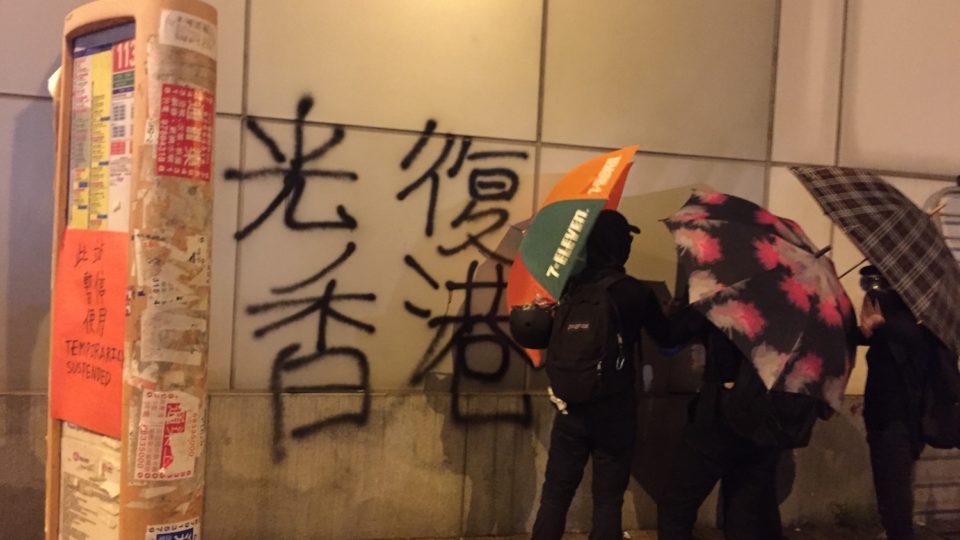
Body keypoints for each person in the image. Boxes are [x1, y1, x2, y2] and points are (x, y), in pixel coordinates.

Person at [531, 210, 699, 540]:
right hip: (615, 410)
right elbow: (667, 338)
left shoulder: (570, 289)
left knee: (555, 496)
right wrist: (688, 312)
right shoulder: (634, 292)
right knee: (608, 501)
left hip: (570, 407)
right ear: (621, 248)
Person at [656, 322, 789, 540]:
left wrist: (727, 377)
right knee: (743, 511)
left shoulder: (729, 297)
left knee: (677, 504)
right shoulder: (799, 307)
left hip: (718, 415)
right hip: (767, 415)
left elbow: (669, 338)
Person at [857, 265, 939, 540]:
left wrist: (881, 322)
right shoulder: (895, 327)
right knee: (891, 496)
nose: (870, 291)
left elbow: (917, 342)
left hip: (899, 421)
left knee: (895, 499)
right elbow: (864, 336)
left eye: (875, 286)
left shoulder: (916, 324)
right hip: (884, 418)